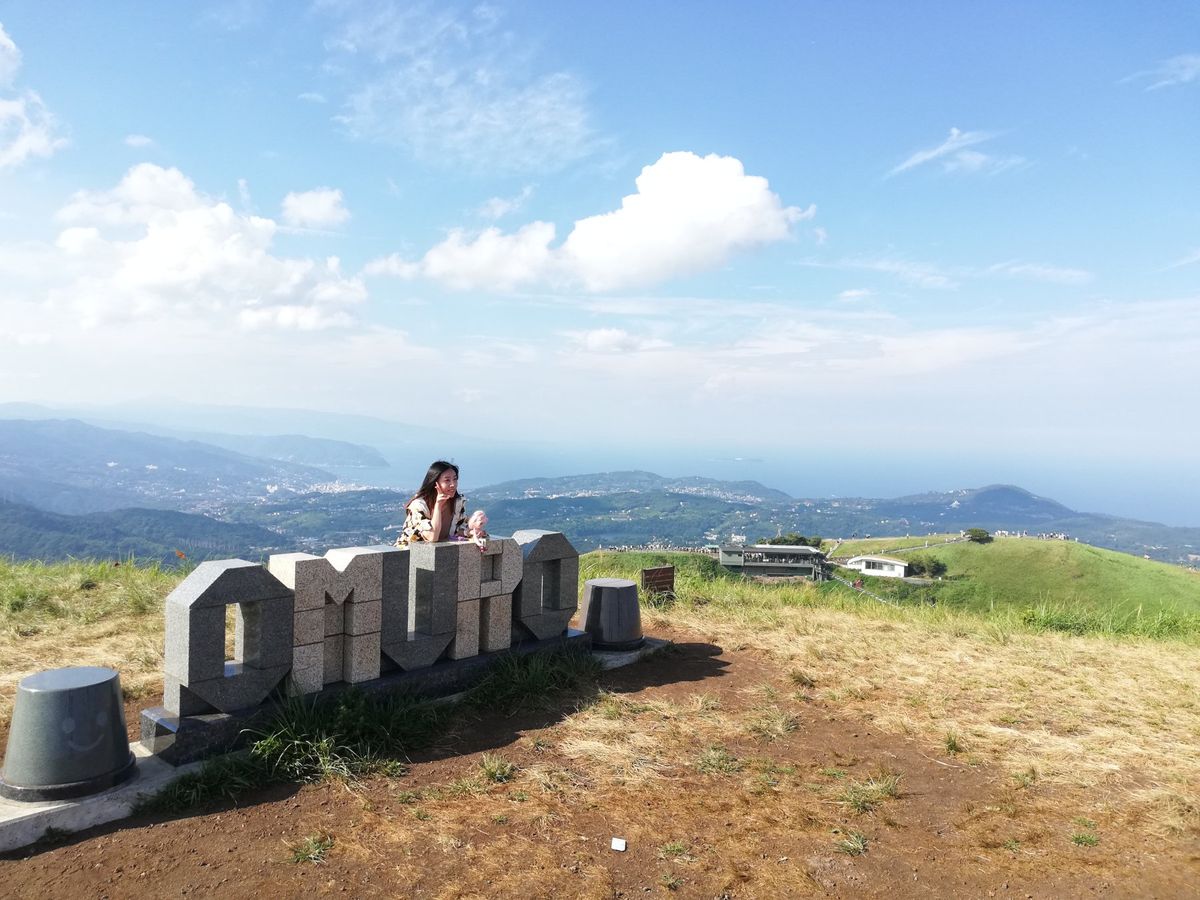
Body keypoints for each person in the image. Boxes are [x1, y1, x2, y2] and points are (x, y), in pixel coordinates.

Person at [395, 460, 487, 547]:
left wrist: (470, 532)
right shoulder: (419, 505)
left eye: (455, 479)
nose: (453, 484)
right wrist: (438, 505)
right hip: (407, 554)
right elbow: (432, 537)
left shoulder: (457, 503)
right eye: (447, 480)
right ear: (435, 483)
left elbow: (455, 530)